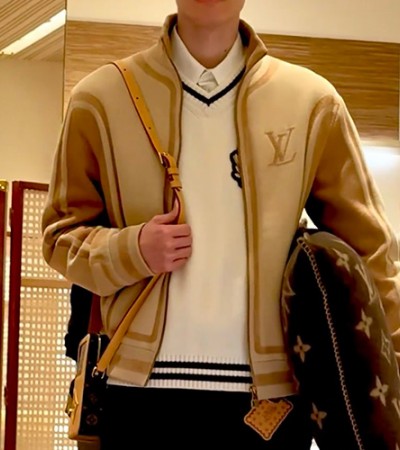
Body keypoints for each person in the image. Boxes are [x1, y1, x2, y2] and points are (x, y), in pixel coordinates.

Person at [41, 1, 400, 448]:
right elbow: (60, 234)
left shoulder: (311, 103)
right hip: (136, 394)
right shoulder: (101, 98)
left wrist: (393, 370)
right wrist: (133, 250)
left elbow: (370, 255)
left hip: (270, 403)